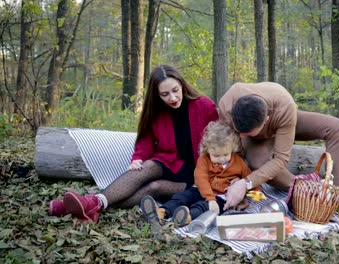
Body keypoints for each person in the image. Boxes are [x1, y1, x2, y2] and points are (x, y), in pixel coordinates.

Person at [48, 65, 218, 222]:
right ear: (157, 95)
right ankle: (92, 204)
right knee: (148, 166)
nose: (172, 98)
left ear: (182, 85)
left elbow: (221, 140)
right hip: (171, 163)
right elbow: (146, 140)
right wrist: (138, 157)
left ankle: (76, 207)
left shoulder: (204, 106)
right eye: (165, 94)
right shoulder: (157, 112)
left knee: (155, 186)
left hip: (197, 175)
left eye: (175, 90)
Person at [218, 82, 339, 210]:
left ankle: (336, 200)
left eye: (246, 134)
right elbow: (232, 151)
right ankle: (308, 190)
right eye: (239, 132)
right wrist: (237, 181)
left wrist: (247, 183)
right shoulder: (227, 104)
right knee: (258, 164)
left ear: (266, 121)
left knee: (337, 128)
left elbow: (281, 159)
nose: (240, 137)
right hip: (259, 136)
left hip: (283, 122)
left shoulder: (284, 107)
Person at [140, 121, 258, 231]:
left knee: (203, 207)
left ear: (232, 149)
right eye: (216, 156)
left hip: (221, 198)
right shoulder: (204, 160)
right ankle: (161, 212)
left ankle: (186, 217)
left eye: (225, 155)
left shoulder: (239, 163)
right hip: (200, 190)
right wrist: (210, 198)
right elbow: (201, 179)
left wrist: (249, 194)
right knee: (182, 197)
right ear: (207, 149)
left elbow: (249, 180)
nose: (221, 159)